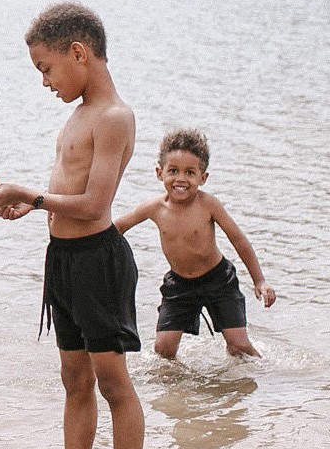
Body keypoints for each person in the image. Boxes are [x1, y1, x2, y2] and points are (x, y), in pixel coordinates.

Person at [0, 1, 144, 449]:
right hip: (64, 259)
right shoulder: (79, 116)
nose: (45, 81)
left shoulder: (113, 117)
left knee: (112, 381)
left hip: (98, 259)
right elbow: (67, 191)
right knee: (74, 378)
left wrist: (28, 195)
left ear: (79, 53)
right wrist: (29, 208)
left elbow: (97, 204)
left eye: (46, 69)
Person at [115, 128, 277, 359]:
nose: (181, 178)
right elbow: (117, 229)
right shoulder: (153, 208)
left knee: (238, 347)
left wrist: (259, 280)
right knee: (163, 350)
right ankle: (182, 390)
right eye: (173, 171)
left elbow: (238, 240)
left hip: (219, 279)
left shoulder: (209, 205)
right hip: (179, 285)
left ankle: (268, 376)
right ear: (159, 173)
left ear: (203, 177)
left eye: (190, 172)